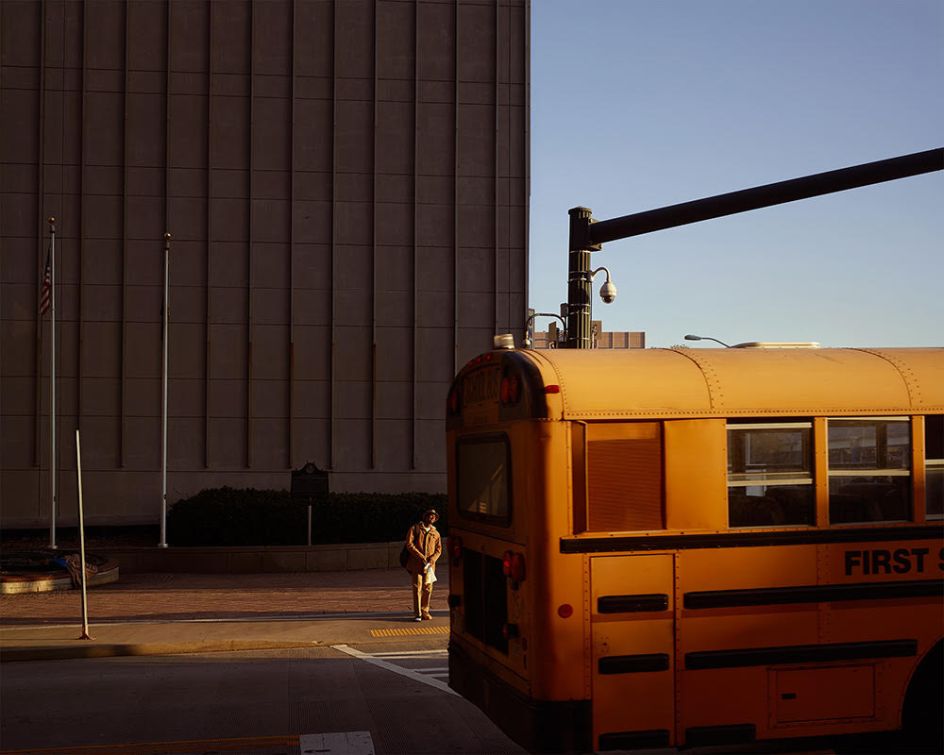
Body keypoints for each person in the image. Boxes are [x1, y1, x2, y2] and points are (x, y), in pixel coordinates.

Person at [404, 508, 442, 621]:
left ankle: (425, 610)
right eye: (430, 515)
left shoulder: (436, 533)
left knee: (428, 588)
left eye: (434, 516)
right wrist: (420, 556)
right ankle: (418, 614)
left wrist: (432, 559)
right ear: (425, 516)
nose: (432, 517)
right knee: (417, 588)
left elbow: (439, 550)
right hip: (416, 564)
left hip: (429, 566)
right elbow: (409, 544)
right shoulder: (415, 528)